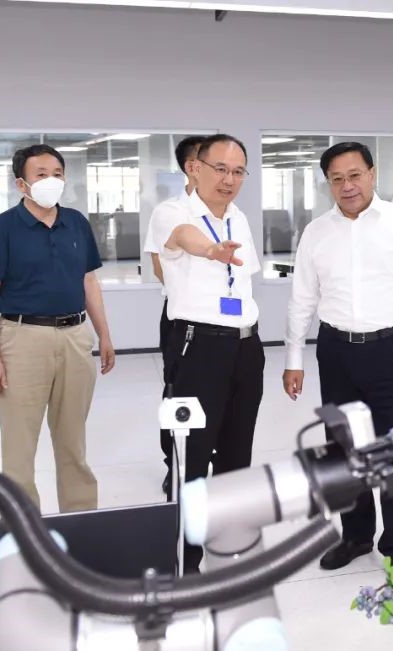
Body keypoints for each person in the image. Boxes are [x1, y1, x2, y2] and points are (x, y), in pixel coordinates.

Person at [284, 142, 393, 574]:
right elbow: (302, 298)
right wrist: (294, 356)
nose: (347, 186)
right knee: (343, 451)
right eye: (337, 179)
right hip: (336, 352)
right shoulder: (316, 232)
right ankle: (355, 535)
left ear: (372, 174)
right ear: (328, 184)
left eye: (355, 175)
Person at [0, 144, 115, 513]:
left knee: (74, 443)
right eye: (41, 174)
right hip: (22, 339)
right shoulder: (2, 228)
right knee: (19, 449)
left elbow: (89, 281)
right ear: (21, 184)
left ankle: (81, 522)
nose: (51, 180)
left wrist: (104, 334)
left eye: (57, 173)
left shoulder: (77, 223)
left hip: (75, 336)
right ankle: (24, 531)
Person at [153, 134, 265, 573]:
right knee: (192, 457)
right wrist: (211, 250)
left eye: (238, 172)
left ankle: (230, 550)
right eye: (220, 169)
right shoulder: (172, 212)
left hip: (246, 346)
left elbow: (243, 280)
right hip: (198, 348)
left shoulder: (239, 218)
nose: (229, 179)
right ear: (195, 168)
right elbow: (186, 238)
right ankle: (186, 562)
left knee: (238, 456)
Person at [144, 135, 204, 350]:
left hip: (227, 320)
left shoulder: (233, 214)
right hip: (184, 314)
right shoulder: (169, 211)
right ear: (191, 167)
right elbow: (159, 267)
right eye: (215, 164)